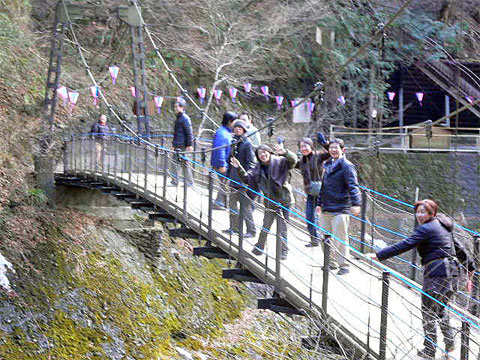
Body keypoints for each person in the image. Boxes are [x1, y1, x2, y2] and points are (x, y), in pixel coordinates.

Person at [368, 199, 476, 359]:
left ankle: (429, 351)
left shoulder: (426, 228)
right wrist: (470, 268)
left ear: (431, 213)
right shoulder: (442, 225)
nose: (419, 215)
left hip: (437, 275)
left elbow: (405, 244)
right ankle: (450, 344)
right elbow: (458, 247)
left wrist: (379, 255)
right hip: (452, 274)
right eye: (418, 211)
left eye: (423, 212)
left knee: (428, 313)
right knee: (440, 309)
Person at [231, 143, 297, 260]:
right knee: (266, 225)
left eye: (264, 152)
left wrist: (285, 152)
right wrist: (239, 167)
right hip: (270, 201)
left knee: (282, 227)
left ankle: (283, 251)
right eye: (260, 153)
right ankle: (259, 247)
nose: (262, 155)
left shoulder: (280, 161)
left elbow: (293, 161)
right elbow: (248, 179)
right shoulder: (258, 168)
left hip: (284, 200)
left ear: (269, 152)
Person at [316, 138, 361, 275]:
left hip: (340, 207)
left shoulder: (347, 166)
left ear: (343, 150)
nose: (333, 150)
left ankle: (344, 265)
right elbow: (323, 186)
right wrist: (319, 203)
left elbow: (353, 186)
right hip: (326, 207)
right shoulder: (328, 164)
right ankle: (331, 263)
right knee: (325, 237)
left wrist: (356, 204)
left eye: (336, 148)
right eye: (331, 148)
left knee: (340, 238)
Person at [223, 119, 256, 238]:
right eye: (236, 128)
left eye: (240, 128)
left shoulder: (248, 144)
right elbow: (229, 161)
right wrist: (226, 176)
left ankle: (251, 231)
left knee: (245, 207)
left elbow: (251, 163)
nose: (237, 129)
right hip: (233, 179)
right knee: (232, 205)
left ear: (244, 130)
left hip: (243, 181)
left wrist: (247, 179)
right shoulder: (233, 142)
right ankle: (234, 228)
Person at [296, 133, 330, 247]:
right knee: (309, 217)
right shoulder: (301, 161)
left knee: (325, 219)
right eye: (301, 147)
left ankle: (328, 244)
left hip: (322, 193)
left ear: (311, 146)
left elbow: (331, 153)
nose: (304, 148)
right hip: (311, 193)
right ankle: (314, 240)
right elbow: (290, 162)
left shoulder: (318, 156)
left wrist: (325, 144)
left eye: (306, 146)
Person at [211, 111, 237, 209]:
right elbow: (220, 148)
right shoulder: (222, 133)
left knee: (224, 183)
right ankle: (219, 203)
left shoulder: (226, 132)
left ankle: (221, 203)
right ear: (230, 121)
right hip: (221, 163)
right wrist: (222, 164)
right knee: (224, 183)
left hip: (224, 162)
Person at [171, 97, 194, 186]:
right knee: (174, 163)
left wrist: (189, 144)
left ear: (182, 107)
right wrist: (173, 144)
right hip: (178, 144)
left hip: (183, 145)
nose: (175, 108)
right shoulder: (178, 118)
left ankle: (189, 182)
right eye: (175, 107)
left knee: (185, 163)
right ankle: (175, 181)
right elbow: (176, 133)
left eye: (177, 107)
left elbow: (189, 132)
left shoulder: (185, 118)